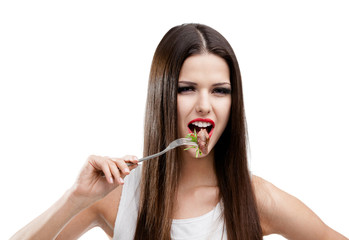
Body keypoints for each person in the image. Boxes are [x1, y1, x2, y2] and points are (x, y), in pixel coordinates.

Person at [11, 23, 347, 240]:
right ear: (161, 97)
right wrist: (76, 199)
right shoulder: (117, 194)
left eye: (220, 90)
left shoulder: (256, 198)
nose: (204, 105)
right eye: (186, 89)